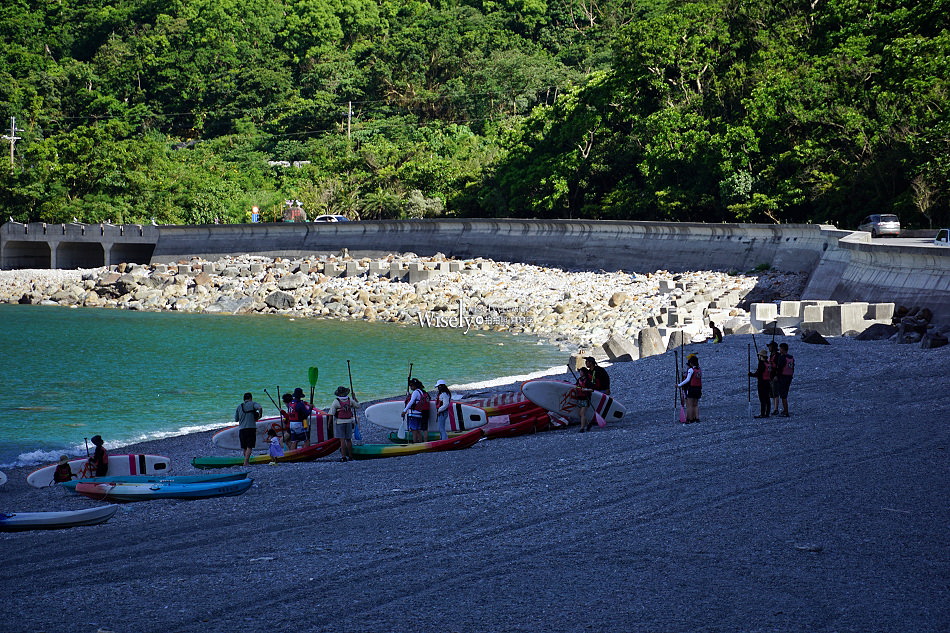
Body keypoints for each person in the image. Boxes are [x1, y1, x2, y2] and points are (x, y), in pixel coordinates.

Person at [328, 386, 359, 461]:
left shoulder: (336, 401)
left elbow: (331, 413)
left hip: (340, 422)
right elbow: (357, 406)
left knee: (342, 440)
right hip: (349, 421)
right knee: (348, 439)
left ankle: (343, 457)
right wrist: (355, 398)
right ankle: (351, 456)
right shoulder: (349, 400)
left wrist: (329, 424)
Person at [235, 392, 263, 467]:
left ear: (244, 399)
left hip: (241, 429)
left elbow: (236, 419)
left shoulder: (239, 406)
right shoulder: (253, 403)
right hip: (251, 428)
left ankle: (246, 461)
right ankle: (246, 462)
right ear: (250, 398)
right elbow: (259, 408)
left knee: (244, 447)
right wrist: (260, 415)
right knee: (249, 446)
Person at [401, 378, 430, 444]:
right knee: (418, 429)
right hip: (419, 413)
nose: (410, 387)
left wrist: (404, 410)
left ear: (415, 386)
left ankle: (415, 442)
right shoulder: (420, 392)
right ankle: (420, 442)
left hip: (413, 414)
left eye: (411, 386)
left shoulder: (415, 392)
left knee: (414, 430)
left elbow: (411, 401)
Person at [677, 354, 702, 423]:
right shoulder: (699, 369)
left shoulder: (691, 370)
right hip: (698, 388)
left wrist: (679, 385)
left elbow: (687, 380)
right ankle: (696, 418)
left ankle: (689, 419)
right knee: (695, 404)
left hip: (692, 388)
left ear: (691, 363)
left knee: (690, 404)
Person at [749, 348, 772, 418]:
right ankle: (767, 413)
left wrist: (751, 375)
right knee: (767, 398)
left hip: (762, 383)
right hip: (768, 382)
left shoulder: (761, 364)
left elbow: (759, 373)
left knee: (762, 398)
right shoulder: (768, 363)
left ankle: (762, 414)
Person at [774, 342, 794, 417]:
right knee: (785, 393)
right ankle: (785, 410)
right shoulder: (791, 357)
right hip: (789, 377)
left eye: (780, 348)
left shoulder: (782, 357)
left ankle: (786, 411)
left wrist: (776, 376)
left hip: (782, 377)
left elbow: (779, 368)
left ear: (782, 349)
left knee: (783, 395)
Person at [574, 367, 594, 432]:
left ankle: (582, 428)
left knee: (581, 413)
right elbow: (576, 386)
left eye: (581, 372)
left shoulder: (588, 380)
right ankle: (588, 424)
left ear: (584, 373)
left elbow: (592, 389)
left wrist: (585, 389)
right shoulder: (579, 379)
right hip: (580, 398)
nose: (580, 373)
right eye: (580, 372)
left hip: (586, 398)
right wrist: (578, 388)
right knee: (581, 414)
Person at [767, 341, 780, 415]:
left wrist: (776, 375)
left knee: (775, 393)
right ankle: (775, 408)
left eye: (770, 346)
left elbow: (779, 367)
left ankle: (776, 409)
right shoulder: (772, 355)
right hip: (771, 376)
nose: (769, 348)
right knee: (772, 393)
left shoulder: (777, 356)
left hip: (774, 376)